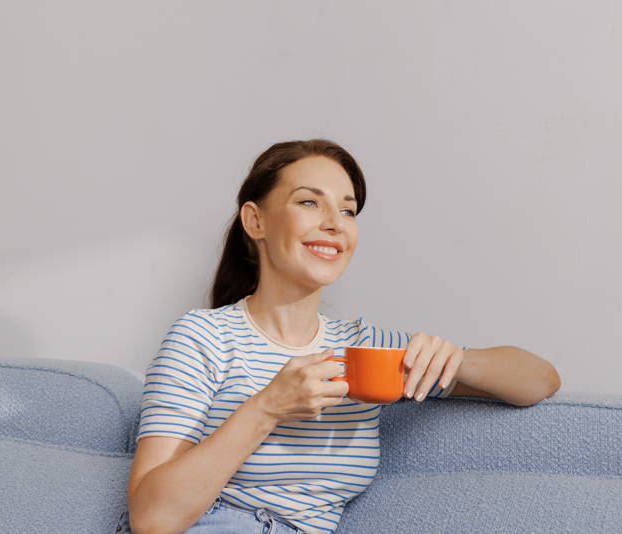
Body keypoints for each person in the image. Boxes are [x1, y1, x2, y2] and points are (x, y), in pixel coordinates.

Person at [116, 138, 560, 534]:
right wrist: (267, 408)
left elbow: (540, 380)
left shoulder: (368, 349)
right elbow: (153, 519)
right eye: (310, 203)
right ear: (256, 222)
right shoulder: (203, 337)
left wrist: (458, 360)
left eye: (347, 210)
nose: (335, 223)